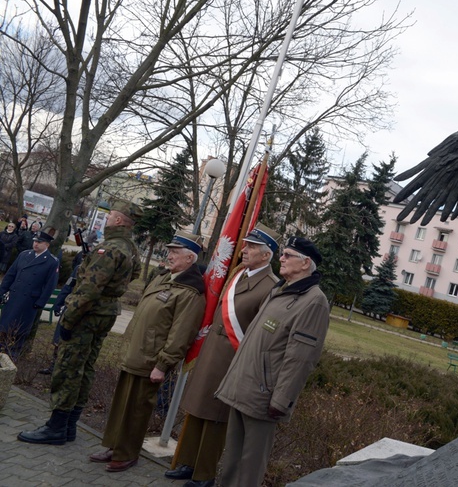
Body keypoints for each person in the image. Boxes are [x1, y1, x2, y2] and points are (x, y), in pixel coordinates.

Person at [17, 199, 142, 447]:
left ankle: (56, 427)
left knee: (68, 366)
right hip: (104, 314)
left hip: (87, 315)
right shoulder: (130, 249)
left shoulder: (110, 249)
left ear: (118, 220)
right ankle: (69, 425)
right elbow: (133, 275)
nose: (106, 220)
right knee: (85, 367)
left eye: (110, 216)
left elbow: (88, 290)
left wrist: (68, 320)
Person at [166, 224, 279, 486]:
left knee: (216, 417)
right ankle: (187, 462)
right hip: (211, 353)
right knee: (197, 408)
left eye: (252, 247)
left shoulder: (270, 286)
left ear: (266, 255)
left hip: (231, 358)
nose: (245, 249)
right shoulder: (239, 272)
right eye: (246, 245)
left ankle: (204, 474)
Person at [215, 236, 330, 486]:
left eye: (289, 255)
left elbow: (300, 358)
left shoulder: (313, 301)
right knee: (232, 460)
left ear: (305, 263)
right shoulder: (280, 289)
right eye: (283, 254)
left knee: (250, 467)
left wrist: (281, 400)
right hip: (243, 387)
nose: (282, 258)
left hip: (264, 397)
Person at [88, 231, 206, 473]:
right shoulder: (164, 277)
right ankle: (114, 445)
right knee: (123, 404)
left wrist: (163, 365)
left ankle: (127, 454)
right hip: (136, 352)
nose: (169, 255)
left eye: (175, 252)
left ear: (190, 259)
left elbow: (180, 334)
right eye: (170, 250)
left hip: (152, 359)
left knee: (137, 408)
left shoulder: (190, 291)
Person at [0, 230, 59, 360]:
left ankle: (13, 354)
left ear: (47, 245)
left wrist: (40, 302)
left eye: (39, 242)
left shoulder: (51, 261)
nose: (35, 244)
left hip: (29, 301)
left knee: (21, 329)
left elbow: (50, 285)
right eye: (35, 241)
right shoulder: (24, 255)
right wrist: (2, 291)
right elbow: (10, 275)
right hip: (14, 296)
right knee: (4, 324)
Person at [38, 250, 86, 375]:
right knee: (58, 338)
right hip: (69, 308)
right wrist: (58, 304)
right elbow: (67, 287)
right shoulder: (78, 269)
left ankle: (66, 370)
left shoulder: (98, 272)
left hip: (84, 312)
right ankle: (54, 366)